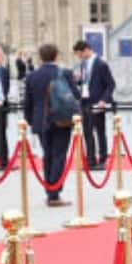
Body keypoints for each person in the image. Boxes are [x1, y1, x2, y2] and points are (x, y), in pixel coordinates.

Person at [20, 42, 78, 207]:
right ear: (56, 56)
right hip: (61, 119)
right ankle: (55, 193)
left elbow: (28, 102)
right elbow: (75, 95)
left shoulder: (33, 76)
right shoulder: (65, 73)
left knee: (48, 155)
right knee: (59, 155)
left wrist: (31, 120)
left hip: (41, 121)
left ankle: (49, 190)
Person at [70, 39, 116, 171]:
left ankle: (102, 159)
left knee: (100, 131)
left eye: (79, 54)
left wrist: (104, 100)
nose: (79, 57)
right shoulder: (83, 64)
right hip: (85, 101)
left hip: (97, 103)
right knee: (87, 132)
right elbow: (86, 82)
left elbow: (110, 84)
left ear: (86, 50)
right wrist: (79, 80)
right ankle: (90, 160)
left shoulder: (101, 64)